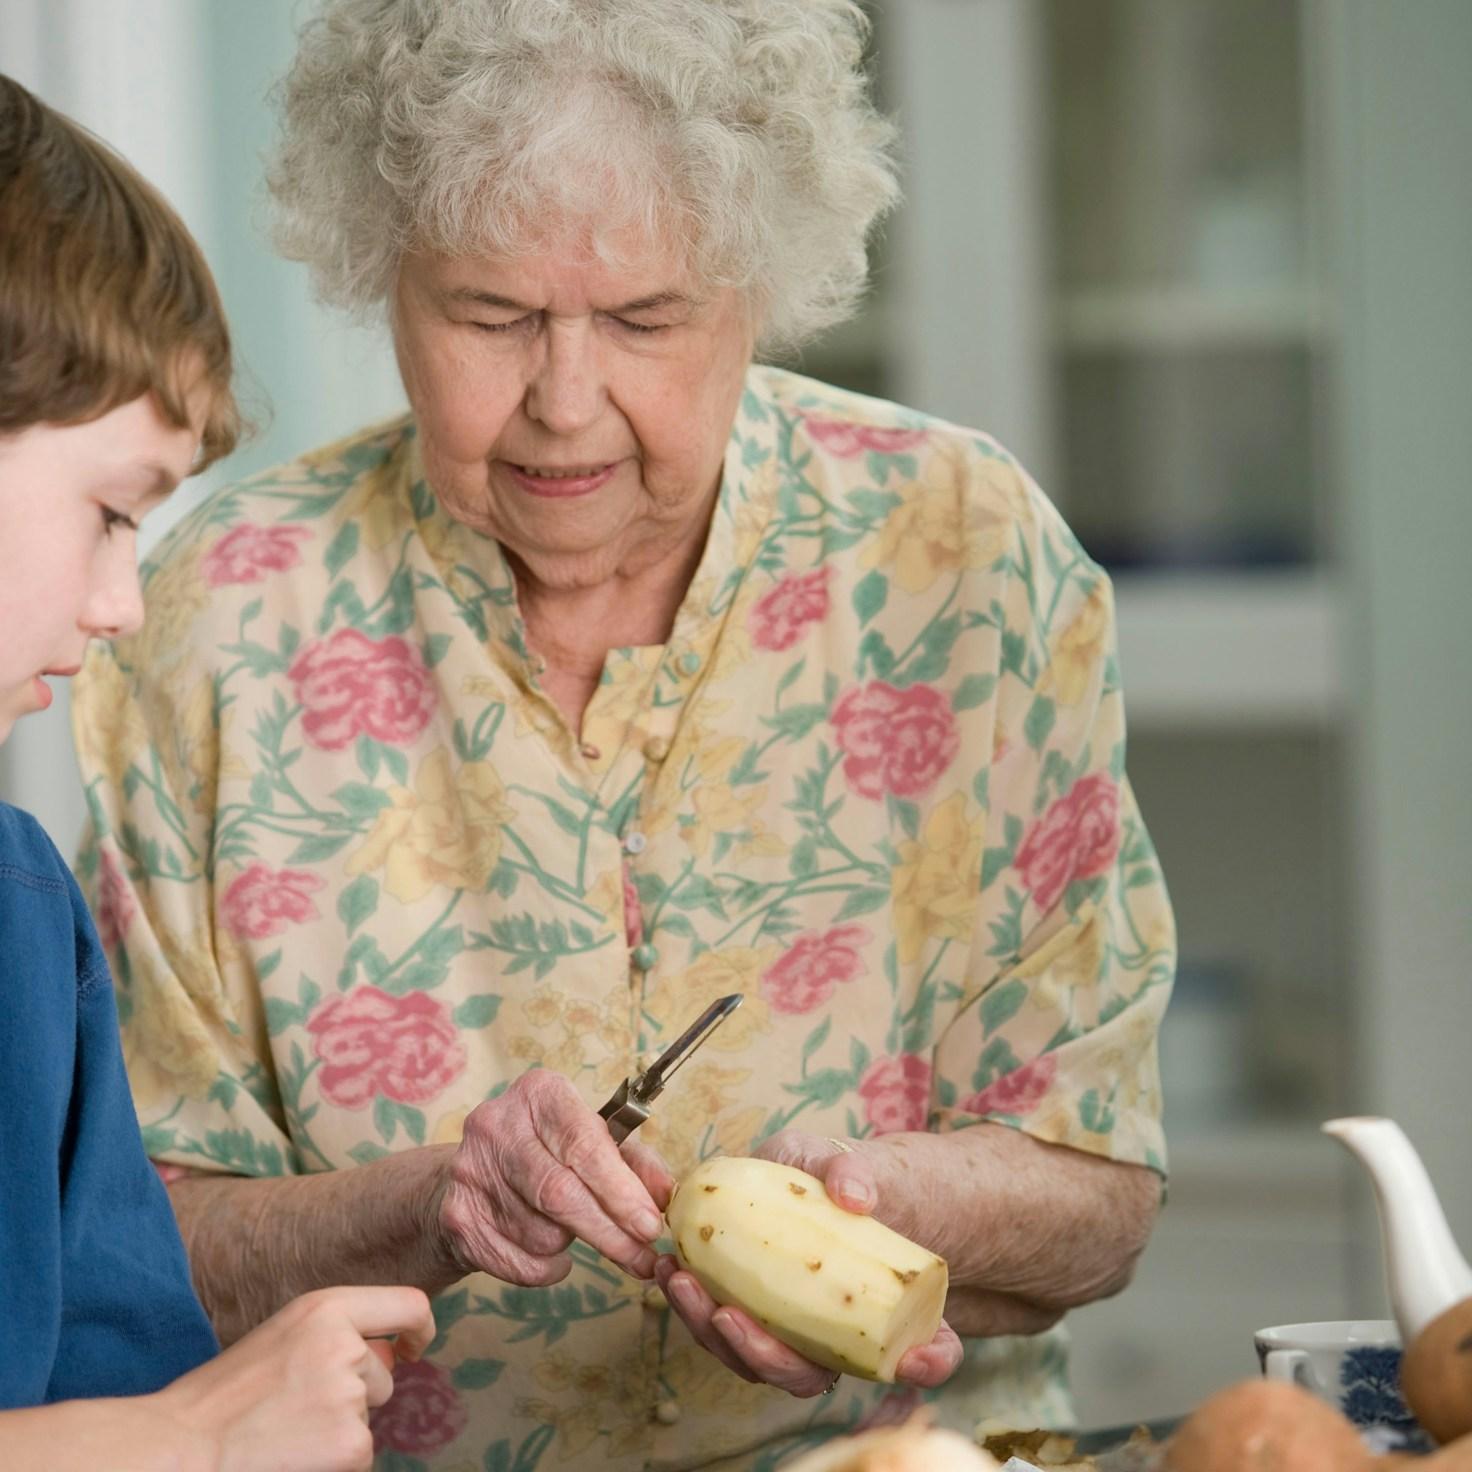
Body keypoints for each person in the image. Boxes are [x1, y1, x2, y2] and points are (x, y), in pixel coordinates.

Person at [69, 2, 1176, 1467]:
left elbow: (1102, 1199)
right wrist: (432, 1203)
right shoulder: (214, 620)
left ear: (762, 289)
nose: (565, 406)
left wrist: (889, 1203)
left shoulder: (964, 556)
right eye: (491, 316)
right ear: (379, 276)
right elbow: (123, 1263)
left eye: (646, 320)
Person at [0, 72, 435, 1472]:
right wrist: (185, 1437)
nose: (125, 606)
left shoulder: (21, 911)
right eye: (112, 511)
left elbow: (112, 1361)